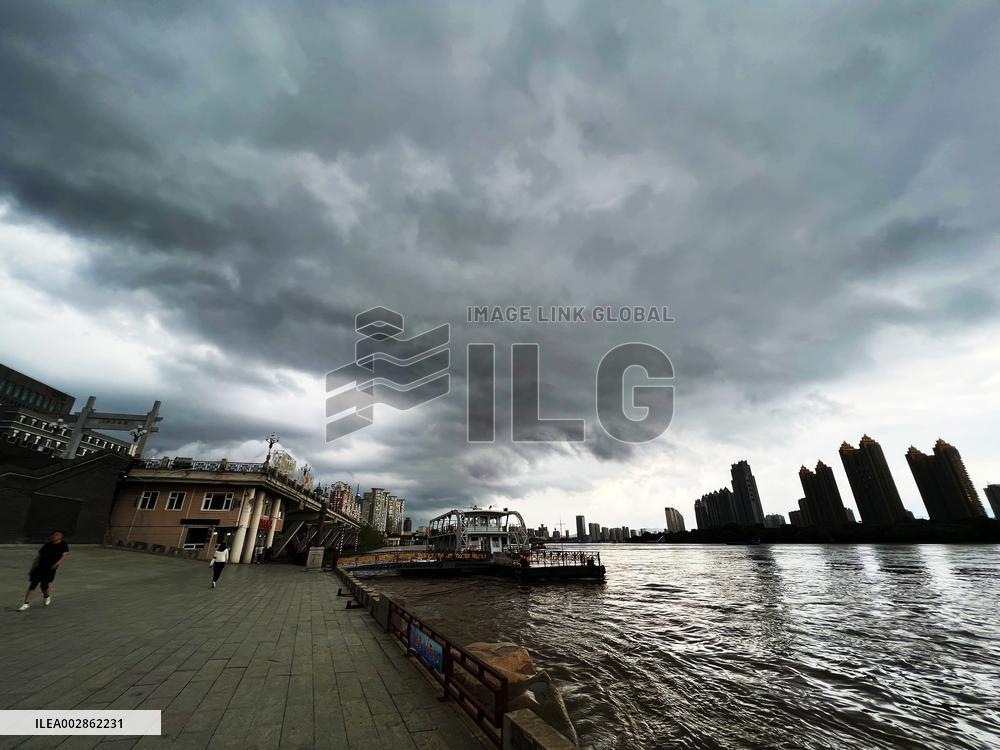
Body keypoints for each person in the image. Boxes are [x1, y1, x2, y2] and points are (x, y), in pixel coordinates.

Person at [19, 531, 69, 611]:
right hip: (40, 567)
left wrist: (57, 564)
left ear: (60, 537)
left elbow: (64, 556)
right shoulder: (47, 545)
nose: (54, 536)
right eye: (54, 534)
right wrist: (32, 569)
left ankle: (46, 596)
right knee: (33, 584)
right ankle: (26, 604)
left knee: (44, 585)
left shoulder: (63, 544)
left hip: (50, 568)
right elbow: (38, 557)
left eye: (57, 535)